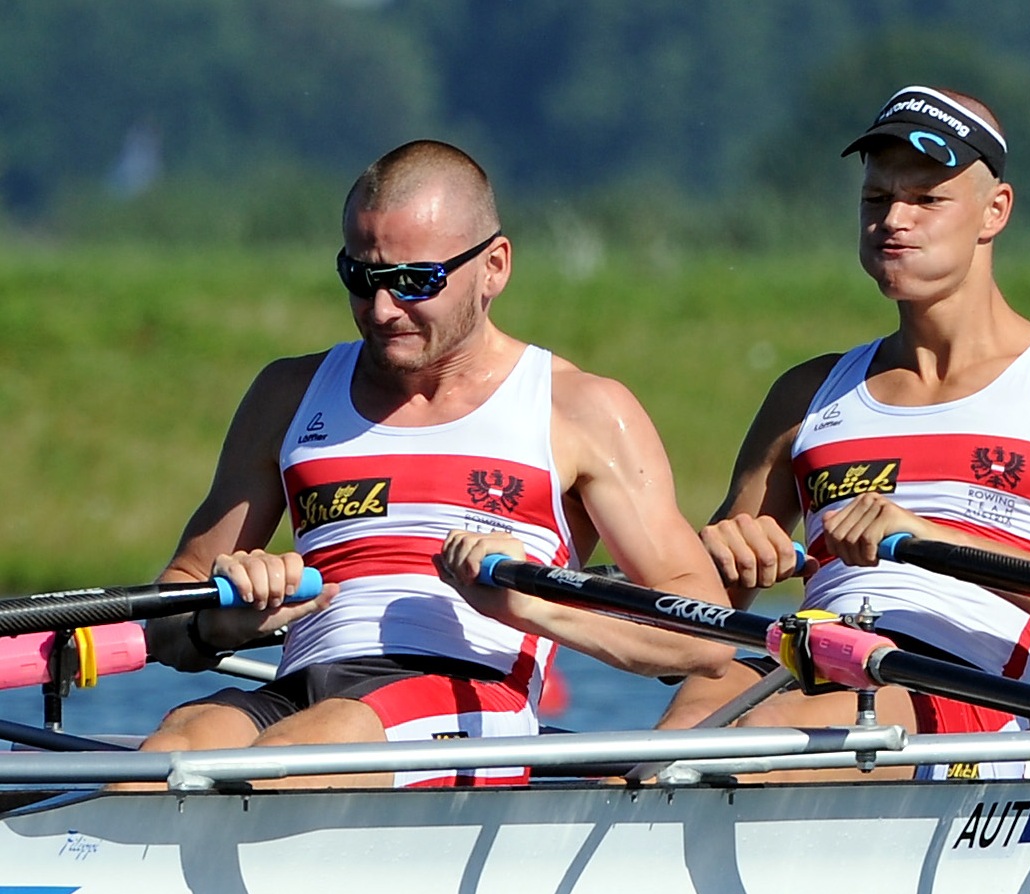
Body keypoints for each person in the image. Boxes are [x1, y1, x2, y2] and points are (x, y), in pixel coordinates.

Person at [131, 139, 733, 788]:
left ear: (494, 267)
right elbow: (168, 612)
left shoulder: (580, 408)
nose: (384, 310)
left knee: (311, 746)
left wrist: (529, 604)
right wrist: (223, 618)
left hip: (472, 698)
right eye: (361, 278)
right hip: (305, 691)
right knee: (172, 749)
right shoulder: (287, 395)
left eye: (415, 282)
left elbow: (704, 634)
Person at [657, 85, 1030, 781]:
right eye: (876, 200)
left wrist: (940, 545)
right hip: (808, 660)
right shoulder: (807, 394)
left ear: (994, 211)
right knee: (680, 725)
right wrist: (724, 558)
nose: (893, 220)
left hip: (967, 700)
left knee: (762, 737)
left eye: (926, 200)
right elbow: (685, 629)